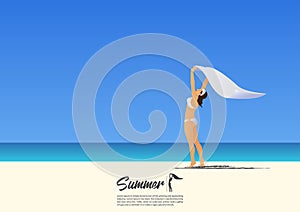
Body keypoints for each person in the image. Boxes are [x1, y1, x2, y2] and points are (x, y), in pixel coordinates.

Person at [184, 66, 208, 167]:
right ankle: (201, 160)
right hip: (193, 121)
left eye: (199, 90)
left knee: (191, 142)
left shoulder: (195, 98)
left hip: (188, 122)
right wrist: (208, 78)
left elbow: (192, 83)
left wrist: (192, 72)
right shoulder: (197, 99)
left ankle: (193, 161)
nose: (198, 89)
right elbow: (204, 86)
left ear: (199, 94)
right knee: (196, 141)